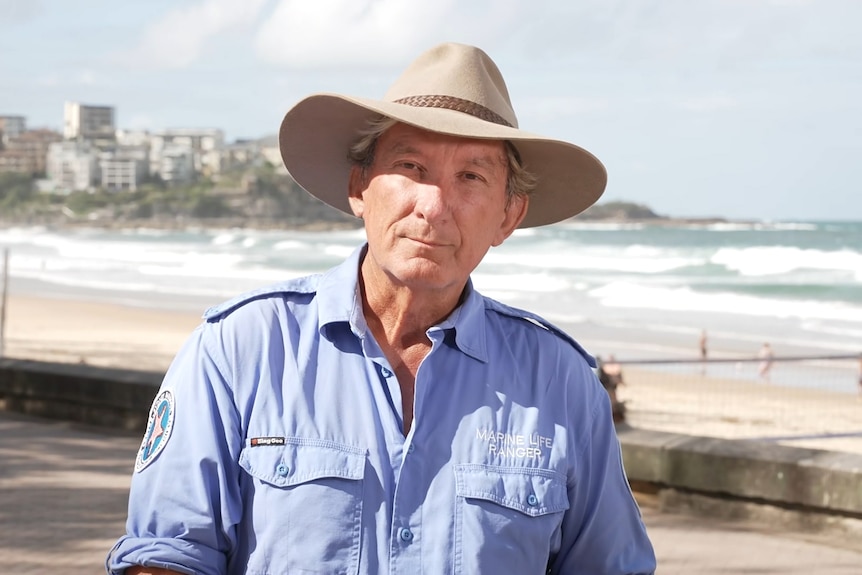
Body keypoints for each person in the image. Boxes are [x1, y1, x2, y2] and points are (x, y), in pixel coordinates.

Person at [106, 42, 656, 575]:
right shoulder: (240, 347)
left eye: (471, 176)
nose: (434, 206)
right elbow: (164, 556)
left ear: (508, 216)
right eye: (411, 166)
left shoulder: (561, 382)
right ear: (360, 186)